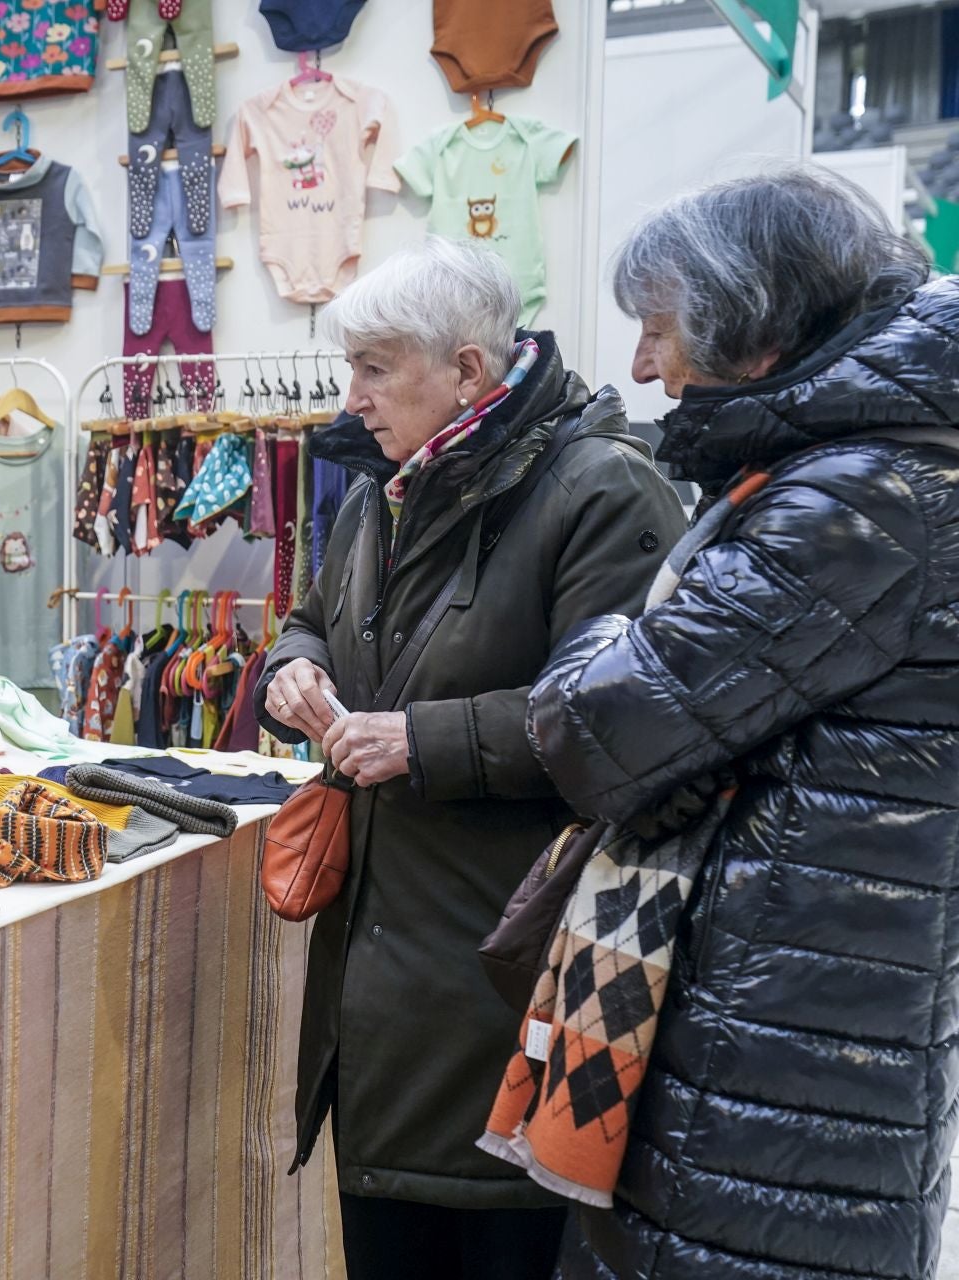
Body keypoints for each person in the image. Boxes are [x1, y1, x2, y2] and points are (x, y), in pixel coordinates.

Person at [528, 169, 958, 1279]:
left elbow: (590, 726)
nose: (639, 366)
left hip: (777, 1055)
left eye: (658, 328)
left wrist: (595, 634)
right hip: (799, 1026)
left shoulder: (851, 498)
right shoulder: (861, 472)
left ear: (754, 328)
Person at [252, 237, 685, 1279]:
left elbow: (627, 723)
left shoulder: (603, 494)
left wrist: (421, 740)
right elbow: (311, 621)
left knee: (499, 1241)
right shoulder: (385, 487)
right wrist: (291, 671)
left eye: (373, 366)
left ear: (467, 371)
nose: (349, 394)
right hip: (384, 987)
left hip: (510, 985)